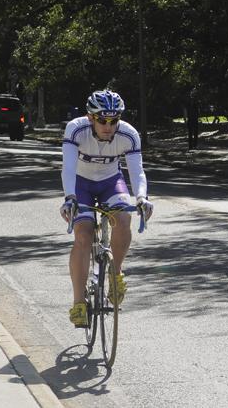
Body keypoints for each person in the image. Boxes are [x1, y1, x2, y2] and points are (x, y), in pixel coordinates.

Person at [59, 90, 153, 328]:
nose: (108, 126)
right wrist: (69, 197)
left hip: (111, 181)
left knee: (123, 219)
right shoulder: (75, 129)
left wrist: (141, 198)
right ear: (90, 117)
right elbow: (68, 168)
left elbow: (137, 170)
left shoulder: (128, 134)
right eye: (102, 120)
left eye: (114, 120)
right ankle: (79, 303)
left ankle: (116, 273)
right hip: (80, 183)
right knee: (83, 233)